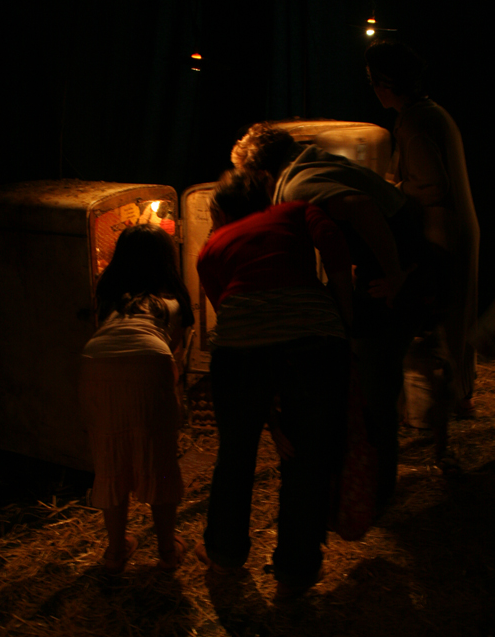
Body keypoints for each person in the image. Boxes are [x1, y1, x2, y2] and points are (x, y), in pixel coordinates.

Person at [231, 122, 436, 508]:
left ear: (263, 174)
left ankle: (377, 496)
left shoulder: (297, 186)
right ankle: (376, 483)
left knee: (375, 387)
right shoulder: (316, 162)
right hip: (403, 260)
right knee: (377, 376)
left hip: (396, 275)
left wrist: (394, 273)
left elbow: (360, 206)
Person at [195, 169, 352, 599]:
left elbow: (234, 318)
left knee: (235, 456)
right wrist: (346, 316)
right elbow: (333, 242)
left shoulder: (211, 247)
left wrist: (266, 412)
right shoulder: (295, 210)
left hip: (240, 349)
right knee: (307, 462)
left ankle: (224, 557)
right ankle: (294, 577)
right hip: (313, 339)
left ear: (220, 212)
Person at [365, 39, 480, 417]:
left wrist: (389, 190)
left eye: (373, 80)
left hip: (443, 230)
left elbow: (432, 185)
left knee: (446, 314)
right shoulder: (429, 113)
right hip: (456, 226)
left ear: (386, 83)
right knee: (457, 314)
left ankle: (451, 399)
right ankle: (460, 394)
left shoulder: (414, 122)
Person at [80, 224, 194, 574]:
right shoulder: (172, 301)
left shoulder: (109, 297)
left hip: (96, 360)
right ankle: (167, 551)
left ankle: (115, 552)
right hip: (150, 358)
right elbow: (174, 352)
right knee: (159, 459)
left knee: (110, 456)